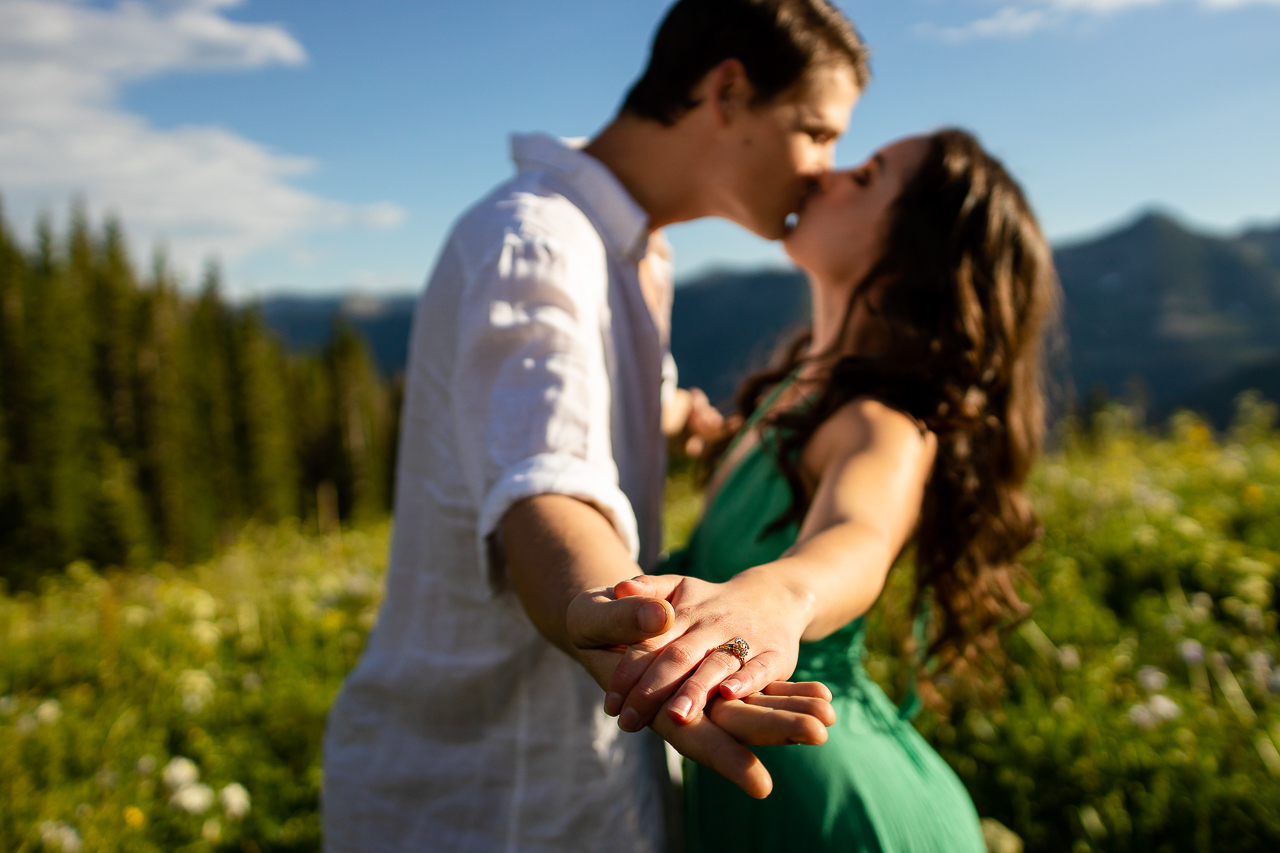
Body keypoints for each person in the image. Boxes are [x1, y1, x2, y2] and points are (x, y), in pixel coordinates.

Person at [321, 2, 870, 851]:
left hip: (565, 774)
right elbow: (546, 488)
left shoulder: (630, 252)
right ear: (727, 91)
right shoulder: (539, 245)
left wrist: (683, 418)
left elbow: (574, 401)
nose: (824, 170)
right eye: (816, 131)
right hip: (487, 795)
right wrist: (623, 624)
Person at [596, 128, 1060, 851]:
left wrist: (780, 595)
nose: (829, 173)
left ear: (914, 251)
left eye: (868, 174)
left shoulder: (883, 424)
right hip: (772, 773)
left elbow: (859, 533)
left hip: (834, 805)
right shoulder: (798, 395)